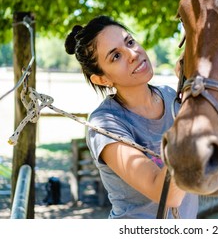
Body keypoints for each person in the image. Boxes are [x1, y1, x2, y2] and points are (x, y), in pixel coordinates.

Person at [64, 15, 198, 219]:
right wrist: (193, 102)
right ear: (102, 79)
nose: (133, 54)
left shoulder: (170, 96)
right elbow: (165, 193)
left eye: (130, 42)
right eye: (115, 56)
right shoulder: (105, 123)